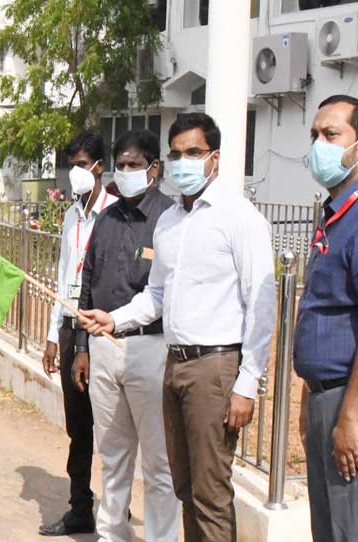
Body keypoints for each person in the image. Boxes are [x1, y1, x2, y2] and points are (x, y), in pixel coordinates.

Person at [80, 113, 276, 542]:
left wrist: (247, 383)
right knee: (184, 484)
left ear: (215, 159)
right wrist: (114, 319)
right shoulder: (170, 223)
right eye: (176, 154)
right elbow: (157, 296)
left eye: (193, 153)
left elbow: (262, 305)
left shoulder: (238, 218)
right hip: (175, 363)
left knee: (209, 492)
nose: (183, 162)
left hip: (215, 366)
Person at [294, 95, 358, 542]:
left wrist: (350, 416)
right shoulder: (337, 214)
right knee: (332, 530)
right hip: (331, 397)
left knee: (356, 530)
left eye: (330, 135)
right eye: (315, 135)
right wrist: (309, 397)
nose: (318, 144)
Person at [72, 129, 179, 542]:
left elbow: (162, 294)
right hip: (103, 350)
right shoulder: (107, 218)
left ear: (153, 168)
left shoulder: (168, 219)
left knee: (158, 463)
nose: (127, 171)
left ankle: (160, 538)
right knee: (113, 455)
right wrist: (82, 346)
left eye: (135, 164)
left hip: (151, 349)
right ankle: (111, 534)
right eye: (122, 164)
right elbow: (88, 280)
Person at [39, 131, 117, 537]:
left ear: (100, 167)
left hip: (103, 331)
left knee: (112, 428)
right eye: (72, 165)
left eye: (83, 164)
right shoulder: (72, 215)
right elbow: (63, 275)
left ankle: (114, 514)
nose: (76, 173)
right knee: (78, 426)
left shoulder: (116, 214)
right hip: (71, 330)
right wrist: (54, 335)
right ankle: (80, 506)